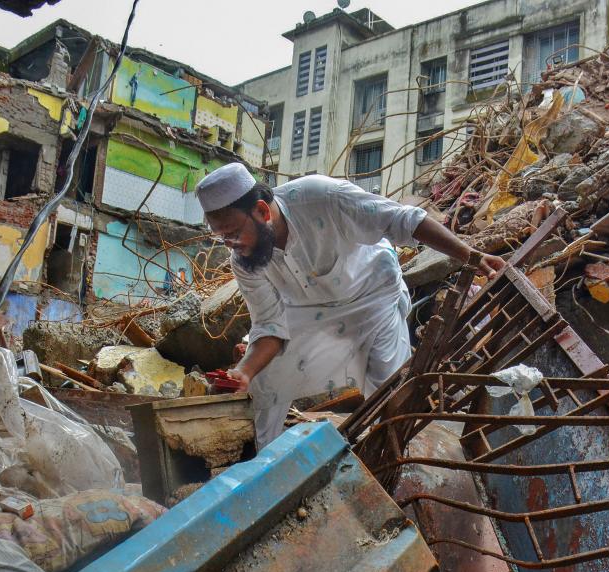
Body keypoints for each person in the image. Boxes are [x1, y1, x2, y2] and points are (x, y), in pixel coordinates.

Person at [195, 163, 505, 448]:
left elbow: (403, 220)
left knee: (387, 391)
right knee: (267, 383)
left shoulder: (322, 197)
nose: (232, 246)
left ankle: (387, 465)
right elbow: (269, 324)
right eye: (222, 238)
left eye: (234, 234)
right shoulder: (244, 260)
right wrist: (245, 373)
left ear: (262, 211)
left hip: (372, 296)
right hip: (309, 312)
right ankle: (267, 469)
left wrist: (471, 256)